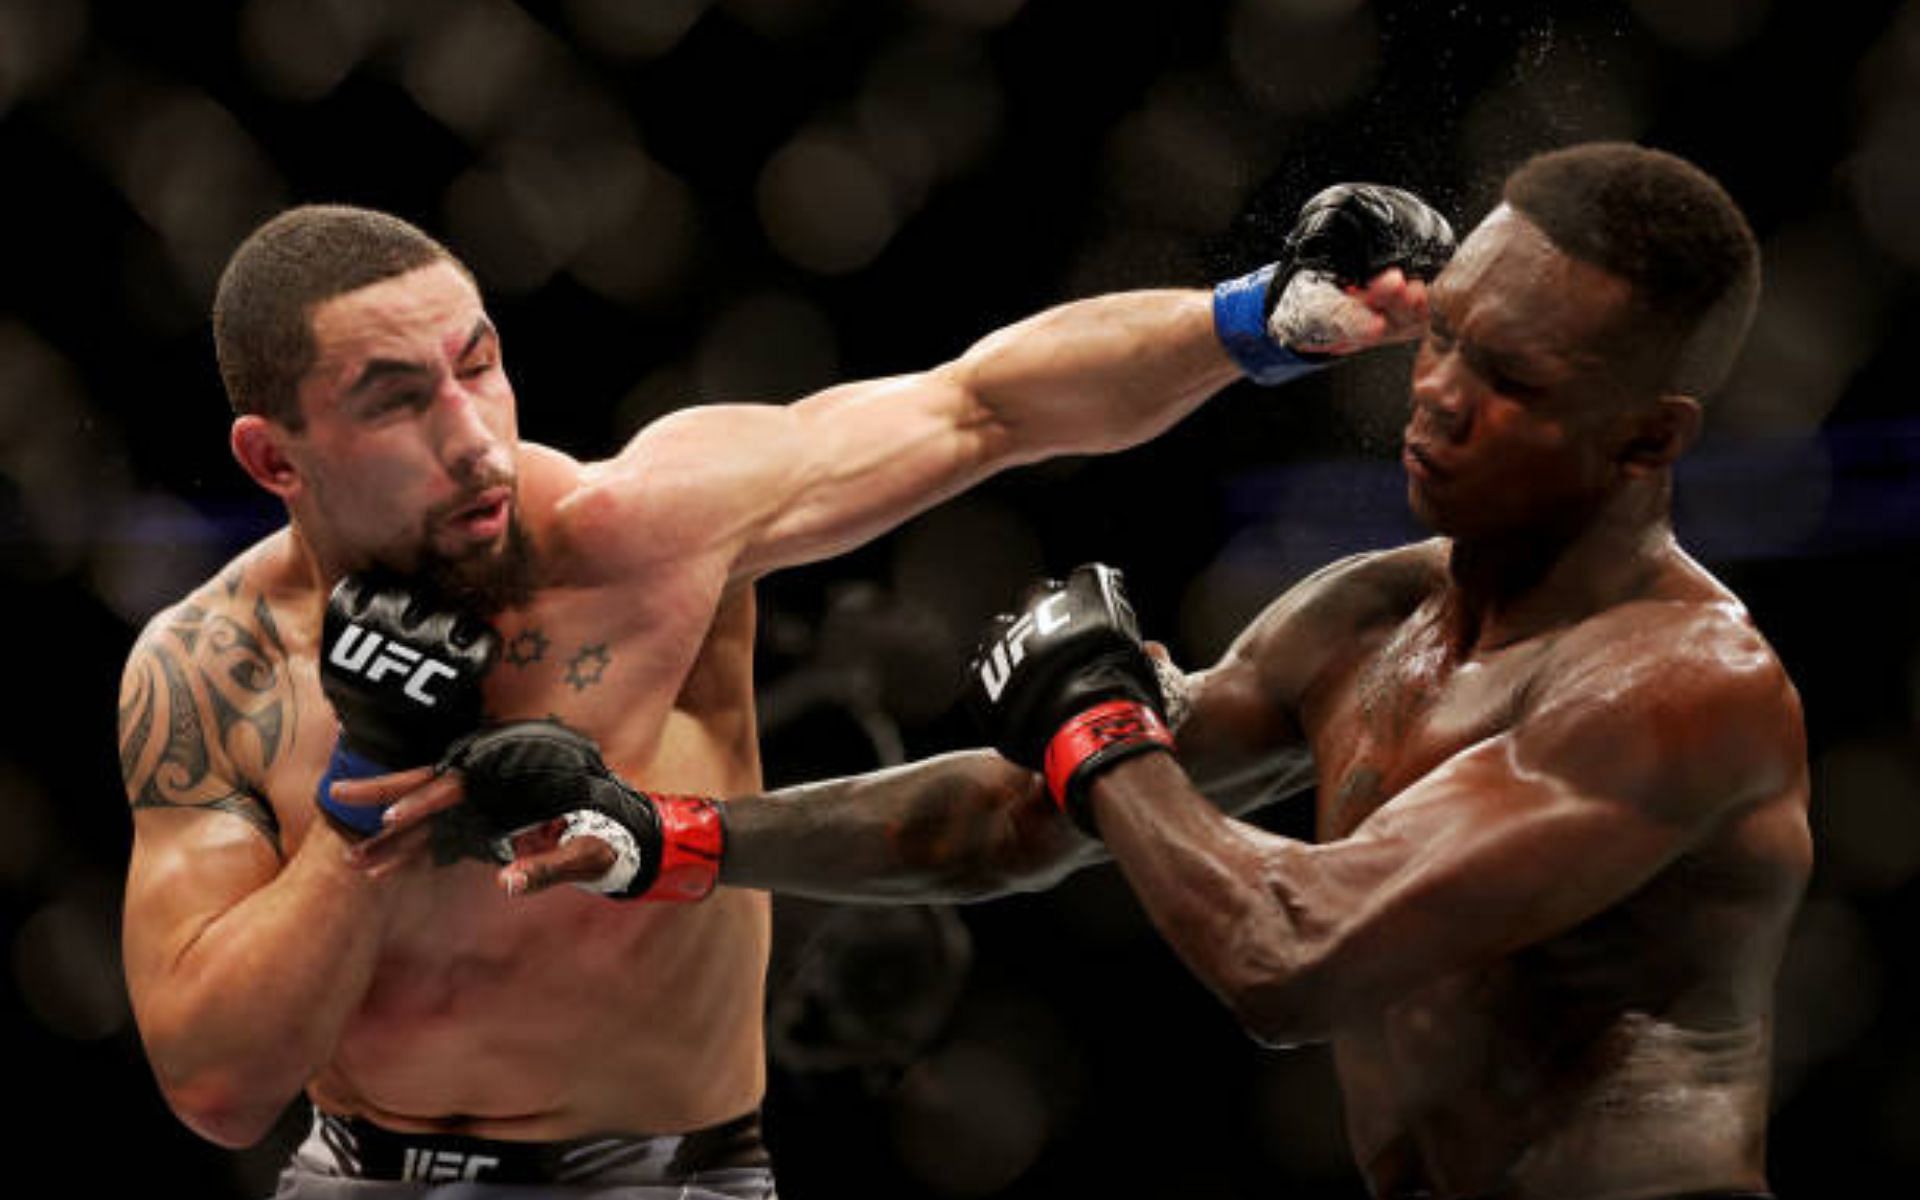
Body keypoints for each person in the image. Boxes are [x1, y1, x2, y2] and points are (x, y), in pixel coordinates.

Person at [373, 143, 1809, 1200]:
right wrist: (670, 836)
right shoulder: (1376, 616)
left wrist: (1099, 722)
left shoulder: (1686, 691)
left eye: (1517, 383)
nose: (1436, 394)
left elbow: (1290, 954)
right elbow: (1017, 819)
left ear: (1649, 439)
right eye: (1450, 339)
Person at [116, 183, 1450, 1196]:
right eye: (398, 401)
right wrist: (364, 796)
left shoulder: (643, 533)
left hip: (674, 1173)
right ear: (273, 456)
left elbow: (982, 406)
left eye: (479, 365)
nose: (472, 438)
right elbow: (220, 1088)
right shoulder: (208, 671)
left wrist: (1259, 317)